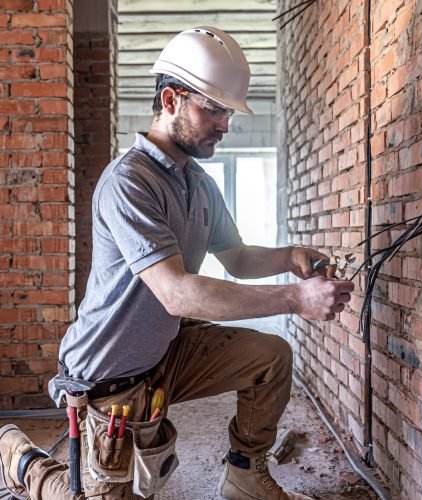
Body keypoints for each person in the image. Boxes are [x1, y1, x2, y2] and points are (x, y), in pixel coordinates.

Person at [0, 26, 354, 500]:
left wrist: (290, 258)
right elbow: (176, 291)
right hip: (107, 376)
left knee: (271, 357)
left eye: (228, 111)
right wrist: (295, 299)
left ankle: (245, 475)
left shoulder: (201, 185)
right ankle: (21, 460)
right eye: (214, 108)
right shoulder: (129, 182)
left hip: (166, 354)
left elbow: (239, 257)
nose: (225, 124)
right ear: (170, 99)